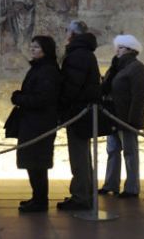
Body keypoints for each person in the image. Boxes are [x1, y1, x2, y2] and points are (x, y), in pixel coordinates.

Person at [11, 36, 63, 213]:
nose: (32, 50)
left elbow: (43, 98)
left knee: (37, 163)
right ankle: (37, 197)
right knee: (33, 162)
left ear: (45, 50)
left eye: (36, 47)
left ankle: (40, 201)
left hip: (39, 123)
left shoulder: (47, 70)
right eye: (31, 46)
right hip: (33, 122)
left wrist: (19, 98)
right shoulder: (40, 68)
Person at [56, 20, 101, 211]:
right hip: (82, 109)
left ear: (73, 34)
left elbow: (72, 85)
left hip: (78, 111)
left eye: (67, 30)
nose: (65, 34)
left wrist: (63, 105)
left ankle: (81, 196)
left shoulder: (78, 55)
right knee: (82, 155)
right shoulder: (84, 53)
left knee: (79, 156)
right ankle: (85, 193)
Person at [97, 34, 144, 198]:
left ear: (129, 50)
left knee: (129, 152)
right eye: (117, 47)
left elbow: (138, 96)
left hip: (126, 117)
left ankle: (132, 187)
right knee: (112, 150)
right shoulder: (117, 67)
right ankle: (111, 184)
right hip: (112, 115)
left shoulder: (136, 68)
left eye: (120, 47)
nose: (116, 50)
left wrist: (132, 121)